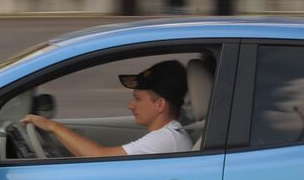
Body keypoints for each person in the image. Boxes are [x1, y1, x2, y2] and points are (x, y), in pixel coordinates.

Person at [21, 59, 191, 157]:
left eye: (137, 99)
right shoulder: (170, 135)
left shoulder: (165, 140)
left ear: (160, 104)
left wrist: (52, 126)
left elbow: (98, 156)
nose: (130, 106)